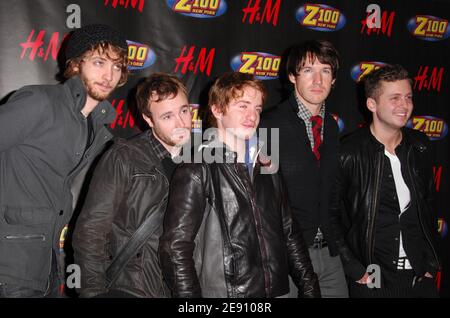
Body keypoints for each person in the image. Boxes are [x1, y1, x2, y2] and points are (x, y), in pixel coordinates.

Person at [159, 72, 320, 298]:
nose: (252, 115)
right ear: (217, 110)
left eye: (257, 108)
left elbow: (289, 231)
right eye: (243, 106)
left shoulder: (267, 164)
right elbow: (175, 249)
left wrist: (310, 287)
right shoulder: (197, 168)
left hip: (277, 293)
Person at [0, 24, 128, 298]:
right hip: (9, 265)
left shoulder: (99, 129)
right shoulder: (40, 101)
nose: (109, 75)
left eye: (117, 67)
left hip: (47, 266)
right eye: (98, 62)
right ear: (75, 64)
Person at [72, 73, 192, 298]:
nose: (181, 123)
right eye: (167, 116)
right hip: (132, 288)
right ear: (148, 119)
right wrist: (93, 294)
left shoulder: (200, 159)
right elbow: (90, 231)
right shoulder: (124, 157)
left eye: (184, 111)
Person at [329, 64, 440, 297]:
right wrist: (355, 269)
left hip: (420, 277)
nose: (404, 105)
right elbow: (331, 216)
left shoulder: (419, 146)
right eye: (395, 98)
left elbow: (429, 205)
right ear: (372, 104)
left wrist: (430, 263)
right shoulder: (348, 152)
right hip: (372, 276)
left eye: (408, 97)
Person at [260, 40, 348, 297]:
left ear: (333, 79)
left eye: (326, 71)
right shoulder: (268, 125)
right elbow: (261, 196)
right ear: (292, 76)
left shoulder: (330, 126)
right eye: (308, 70)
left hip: (328, 254)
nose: (318, 79)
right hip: (285, 256)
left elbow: (331, 194)